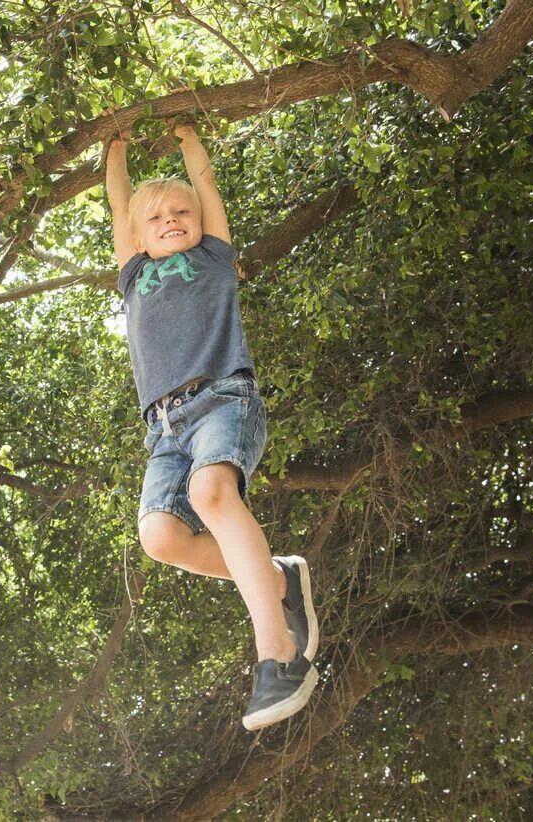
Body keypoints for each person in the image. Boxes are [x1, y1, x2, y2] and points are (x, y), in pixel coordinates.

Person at [104, 121, 320, 730]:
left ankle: (278, 654)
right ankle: (279, 577)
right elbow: (119, 204)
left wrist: (187, 136)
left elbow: (203, 180)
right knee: (161, 539)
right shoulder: (133, 273)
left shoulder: (214, 256)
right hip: (164, 431)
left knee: (211, 493)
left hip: (225, 399)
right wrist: (113, 149)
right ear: (137, 236)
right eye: (157, 218)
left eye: (181, 211)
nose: (171, 219)